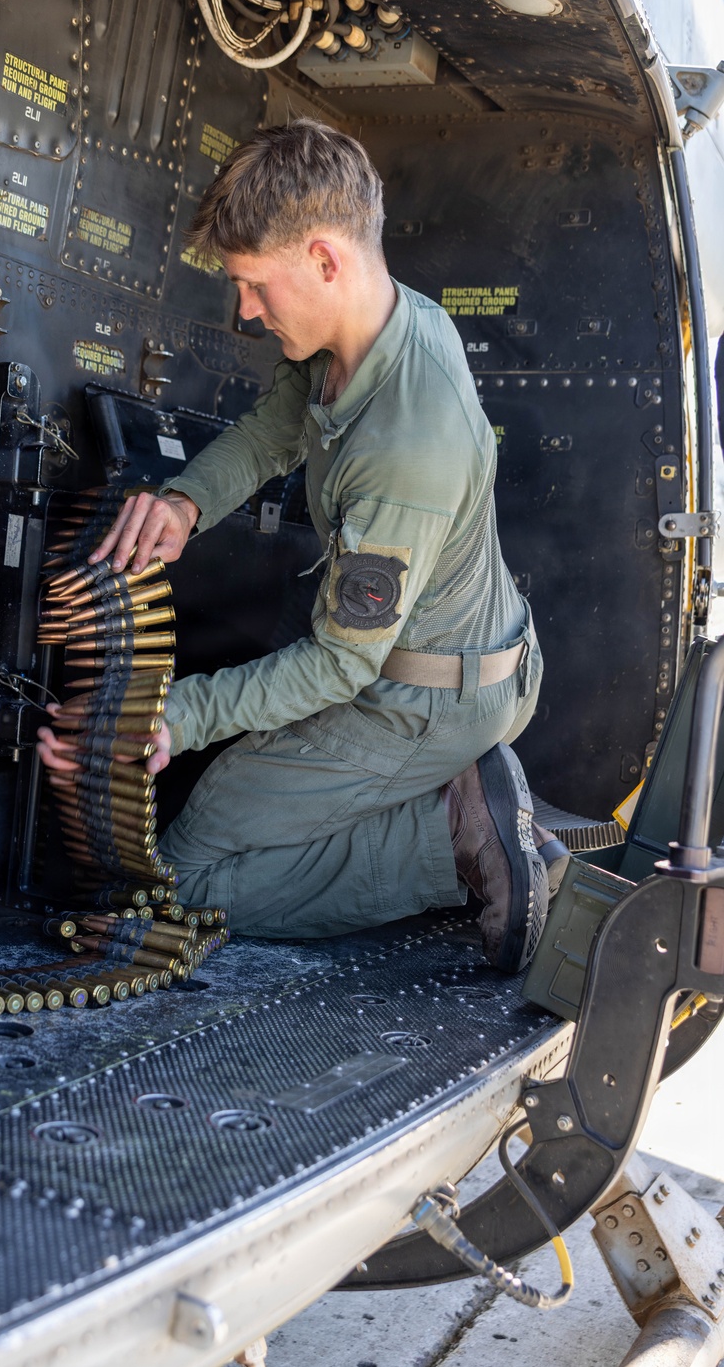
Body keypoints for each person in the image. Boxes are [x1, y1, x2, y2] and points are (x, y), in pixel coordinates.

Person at [37, 119, 556, 973]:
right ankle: (454, 797)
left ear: (324, 259)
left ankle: (457, 831)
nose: (244, 310)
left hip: (423, 698)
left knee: (188, 877)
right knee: (217, 815)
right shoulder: (375, 330)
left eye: (254, 286)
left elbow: (338, 669)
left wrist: (182, 714)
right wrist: (185, 503)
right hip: (431, 662)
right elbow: (279, 426)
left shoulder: (404, 442)